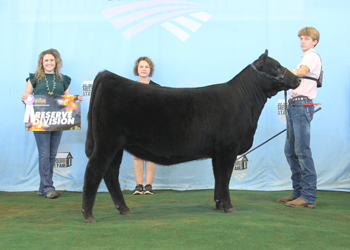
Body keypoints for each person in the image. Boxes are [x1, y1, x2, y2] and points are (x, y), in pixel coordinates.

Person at [21, 49, 82, 199]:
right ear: (42, 62)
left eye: (51, 60)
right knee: (44, 153)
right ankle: (48, 187)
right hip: (40, 120)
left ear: (56, 62)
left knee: (52, 154)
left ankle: (43, 187)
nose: (49, 63)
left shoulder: (63, 80)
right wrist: (24, 97)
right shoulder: (34, 78)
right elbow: (26, 96)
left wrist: (76, 100)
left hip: (58, 120)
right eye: (46, 60)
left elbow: (67, 99)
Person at [277, 27, 321, 208]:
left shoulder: (312, 56)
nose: (303, 41)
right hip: (295, 106)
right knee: (291, 151)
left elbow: (302, 72)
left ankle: (308, 196)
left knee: (302, 151)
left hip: (302, 106)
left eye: (306, 38)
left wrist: (284, 71)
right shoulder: (306, 57)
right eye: (301, 38)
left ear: (314, 42)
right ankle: (298, 192)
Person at [131, 57, 160, 195]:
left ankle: (149, 186)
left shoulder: (157, 88)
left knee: (151, 156)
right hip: (135, 126)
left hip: (152, 127)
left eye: (146, 67)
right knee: (137, 156)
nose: (143, 69)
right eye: (141, 66)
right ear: (137, 69)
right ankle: (138, 186)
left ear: (150, 70)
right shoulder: (129, 87)